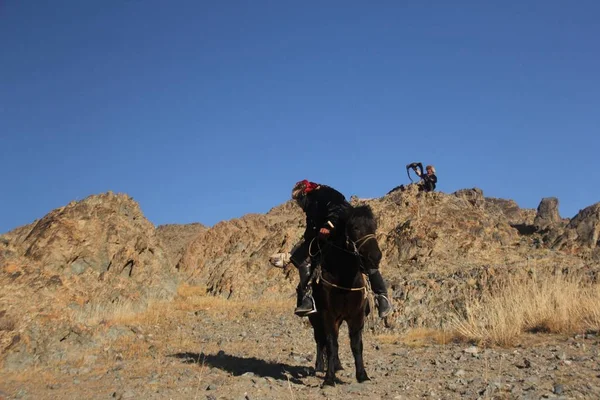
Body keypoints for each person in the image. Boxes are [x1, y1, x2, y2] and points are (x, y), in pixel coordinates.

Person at [272, 180, 393, 318]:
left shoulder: (322, 194)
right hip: (332, 232)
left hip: (349, 227)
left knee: (365, 253)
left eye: (299, 199)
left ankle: (382, 296)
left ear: (304, 194)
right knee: (305, 255)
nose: (299, 204)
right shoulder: (312, 206)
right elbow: (311, 230)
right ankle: (308, 298)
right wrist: (295, 253)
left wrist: (329, 225)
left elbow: (336, 208)